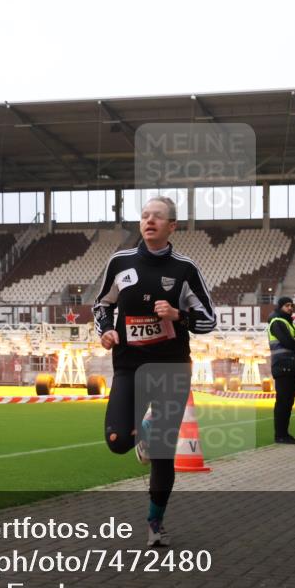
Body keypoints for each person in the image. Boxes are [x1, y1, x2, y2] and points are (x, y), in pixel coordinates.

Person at [93, 196, 216, 546]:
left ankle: (155, 523)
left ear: (172, 226)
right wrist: (106, 331)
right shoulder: (120, 262)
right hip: (130, 366)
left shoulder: (185, 269)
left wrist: (178, 316)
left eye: (158, 217)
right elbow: (101, 305)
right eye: (145, 216)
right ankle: (143, 429)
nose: (149, 221)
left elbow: (209, 320)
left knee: (163, 450)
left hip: (171, 369)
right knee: (118, 441)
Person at [266, 297, 295, 444]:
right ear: (280, 307)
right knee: (283, 402)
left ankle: (285, 434)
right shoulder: (277, 322)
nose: (290, 308)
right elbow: (288, 342)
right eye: (287, 305)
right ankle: (280, 435)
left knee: (289, 403)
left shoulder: (290, 324)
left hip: (293, 367)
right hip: (282, 366)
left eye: (291, 305)